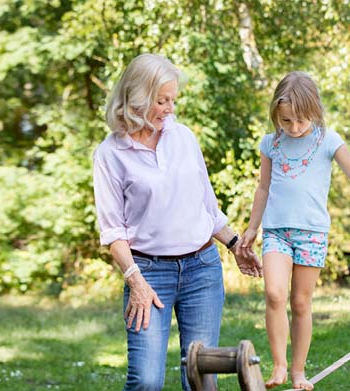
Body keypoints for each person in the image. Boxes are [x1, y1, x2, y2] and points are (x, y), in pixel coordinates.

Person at [93, 53, 262, 391]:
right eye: (162, 100)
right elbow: (113, 232)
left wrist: (233, 244)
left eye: (173, 99)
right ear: (137, 98)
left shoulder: (183, 137)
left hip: (201, 269)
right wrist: (136, 282)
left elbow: (206, 207)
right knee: (146, 381)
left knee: (201, 378)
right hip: (148, 273)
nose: (170, 108)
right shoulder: (110, 153)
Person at [239, 71, 350, 390]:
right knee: (275, 294)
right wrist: (252, 228)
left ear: (315, 111)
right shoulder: (270, 143)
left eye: (300, 121)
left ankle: (298, 372)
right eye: (286, 121)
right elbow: (263, 188)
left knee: (301, 302)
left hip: (312, 234)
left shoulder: (328, 140)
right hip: (277, 231)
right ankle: (278, 367)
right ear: (276, 115)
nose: (294, 128)